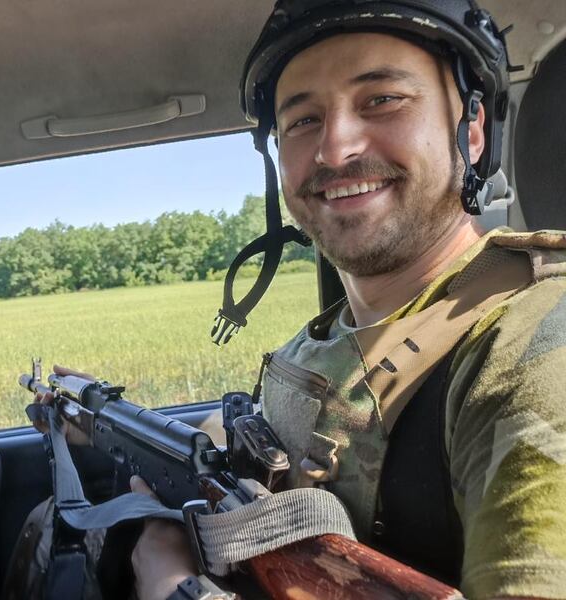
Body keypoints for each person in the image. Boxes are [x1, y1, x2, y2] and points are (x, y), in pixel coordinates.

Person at [129, 1, 566, 599]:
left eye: (382, 99)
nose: (335, 149)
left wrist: (169, 580)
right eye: (302, 120)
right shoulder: (322, 342)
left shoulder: (537, 346)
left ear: (471, 127)